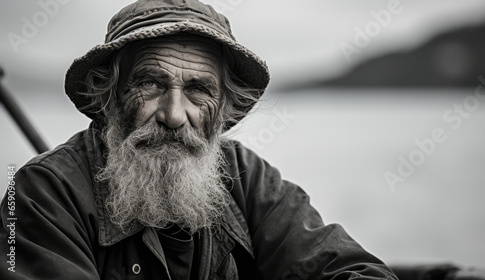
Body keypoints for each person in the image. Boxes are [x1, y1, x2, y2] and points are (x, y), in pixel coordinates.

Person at [0, 0, 398, 279]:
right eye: (151, 83)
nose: (174, 115)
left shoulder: (244, 175)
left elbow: (352, 270)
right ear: (111, 96)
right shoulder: (40, 193)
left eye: (198, 89)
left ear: (222, 107)